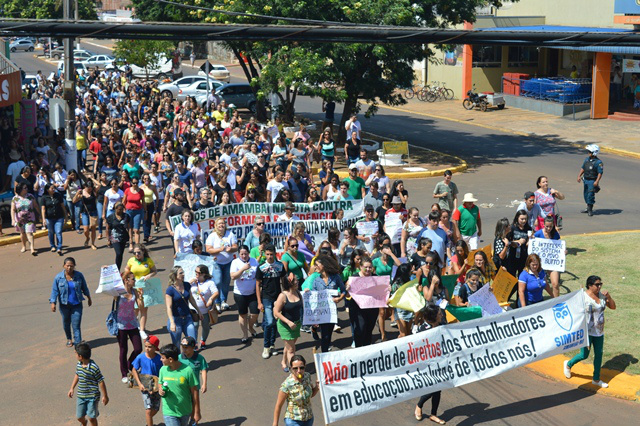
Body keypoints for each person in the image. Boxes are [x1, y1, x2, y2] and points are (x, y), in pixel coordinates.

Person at [564, 275, 616, 388]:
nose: (599, 286)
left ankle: (596, 379)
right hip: (586, 332)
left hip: (599, 332)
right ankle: (568, 365)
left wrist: (609, 297)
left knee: (599, 355)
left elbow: (613, 307)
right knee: (584, 355)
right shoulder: (583, 297)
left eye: (600, 284)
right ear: (590, 285)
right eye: (597, 284)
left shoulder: (602, 296)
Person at [301, 254, 346, 353]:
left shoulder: (336, 277)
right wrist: (308, 292)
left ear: (324, 265)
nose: (315, 267)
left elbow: (343, 290)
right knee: (325, 334)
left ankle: (325, 347)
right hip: (322, 312)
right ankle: (324, 353)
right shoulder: (316, 280)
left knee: (329, 333)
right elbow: (313, 297)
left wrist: (339, 298)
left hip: (332, 311)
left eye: (317, 265)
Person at [413, 304, 445, 424]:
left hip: (439, 362)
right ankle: (419, 405)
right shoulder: (424, 330)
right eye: (439, 314)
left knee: (438, 388)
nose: (441, 315)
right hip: (427, 364)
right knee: (434, 388)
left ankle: (433, 414)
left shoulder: (442, 326)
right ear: (433, 317)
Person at [50, 257, 92, 347]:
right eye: (67, 266)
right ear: (64, 266)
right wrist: (53, 303)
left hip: (77, 305)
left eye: (71, 266)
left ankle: (78, 344)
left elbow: (84, 287)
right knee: (66, 323)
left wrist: (89, 298)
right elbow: (54, 291)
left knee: (76, 325)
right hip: (64, 305)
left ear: (74, 266)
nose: (69, 268)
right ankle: (69, 338)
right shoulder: (58, 278)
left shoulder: (79, 276)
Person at [158, 344, 201, 426]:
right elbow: (160, 383)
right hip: (169, 411)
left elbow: (194, 392)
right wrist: (160, 389)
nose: (161, 360)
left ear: (170, 359)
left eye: (162, 358)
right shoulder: (163, 370)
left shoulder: (187, 371)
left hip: (185, 410)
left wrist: (197, 411)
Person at [256, 244, 286, 359]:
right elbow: (258, 284)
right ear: (264, 254)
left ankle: (272, 345)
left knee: (274, 322)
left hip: (277, 297)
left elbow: (283, 281)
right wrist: (259, 302)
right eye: (267, 254)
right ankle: (266, 346)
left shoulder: (280, 266)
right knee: (269, 322)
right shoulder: (261, 267)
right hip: (266, 297)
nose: (269, 257)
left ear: (275, 254)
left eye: (271, 254)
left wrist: (285, 295)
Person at [68, 342, 109, 426]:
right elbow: (77, 375)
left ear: (80, 356)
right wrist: (72, 388)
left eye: (76, 353)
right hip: (81, 396)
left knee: (92, 418)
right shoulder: (79, 365)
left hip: (92, 397)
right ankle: (84, 423)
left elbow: (101, 381)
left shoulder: (94, 367)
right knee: (79, 417)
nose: (75, 355)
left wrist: (105, 396)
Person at [272, 354, 319, 426]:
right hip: (293, 421)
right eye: (295, 368)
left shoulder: (307, 376)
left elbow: (310, 395)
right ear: (291, 368)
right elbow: (278, 406)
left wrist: (317, 387)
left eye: (301, 368)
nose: (299, 371)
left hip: (308, 418)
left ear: (305, 367)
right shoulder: (287, 385)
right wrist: (275, 424)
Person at [124, 244, 158, 339]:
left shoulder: (148, 261)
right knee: (135, 309)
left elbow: (155, 271)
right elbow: (126, 269)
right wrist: (127, 275)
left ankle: (142, 330)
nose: (136, 254)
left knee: (143, 309)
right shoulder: (131, 260)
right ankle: (133, 326)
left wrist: (148, 276)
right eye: (134, 253)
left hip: (145, 288)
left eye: (138, 252)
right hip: (134, 288)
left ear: (143, 252)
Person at [115, 273, 143, 383]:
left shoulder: (134, 291)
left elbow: (140, 307)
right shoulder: (118, 292)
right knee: (123, 349)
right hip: (121, 325)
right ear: (126, 280)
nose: (134, 281)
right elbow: (107, 288)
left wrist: (140, 297)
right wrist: (106, 270)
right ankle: (124, 373)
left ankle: (129, 364)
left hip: (132, 323)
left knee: (138, 348)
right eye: (132, 279)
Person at [205, 217, 238, 311]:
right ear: (215, 226)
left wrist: (230, 249)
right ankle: (217, 301)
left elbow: (236, 247)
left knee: (226, 282)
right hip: (216, 263)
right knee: (218, 281)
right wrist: (219, 250)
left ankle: (223, 301)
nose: (221, 225)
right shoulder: (212, 236)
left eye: (223, 223)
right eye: (219, 224)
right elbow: (208, 249)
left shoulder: (230, 234)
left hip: (228, 262)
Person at [347, 257, 380, 347]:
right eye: (366, 267)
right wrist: (348, 289)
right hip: (358, 309)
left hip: (372, 309)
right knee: (359, 330)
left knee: (369, 331)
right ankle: (358, 350)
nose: (368, 269)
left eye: (370, 267)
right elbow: (347, 295)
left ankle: (366, 351)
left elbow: (381, 292)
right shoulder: (354, 278)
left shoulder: (376, 278)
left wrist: (386, 289)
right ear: (360, 267)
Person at [131, 335, 163, 426]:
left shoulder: (159, 358)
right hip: (144, 386)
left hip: (156, 386)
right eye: (146, 346)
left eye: (150, 347)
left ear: (155, 347)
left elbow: (163, 371)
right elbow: (134, 370)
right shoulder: (140, 357)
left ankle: (149, 420)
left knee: (156, 409)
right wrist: (139, 383)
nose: (147, 349)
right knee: (148, 410)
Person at [165, 266, 201, 346]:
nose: (183, 274)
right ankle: (179, 358)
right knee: (177, 344)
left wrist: (198, 311)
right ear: (175, 275)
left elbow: (191, 299)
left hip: (187, 318)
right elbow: (169, 307)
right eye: (181, 273)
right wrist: (172, 322)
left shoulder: (187, 285)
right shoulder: (170, 290)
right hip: (176, 319)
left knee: (192, 342)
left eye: (183, 272)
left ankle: (190, 357)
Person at [230, 245, 260, 343]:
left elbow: (258, 275)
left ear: (249, 253)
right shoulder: (235, 262)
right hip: (240, 293)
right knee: (243, 314)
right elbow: (233, 277)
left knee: (255, 314)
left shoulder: (254, 261)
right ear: (239, 254)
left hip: (252, 293)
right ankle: (245, 334)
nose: (244, 256)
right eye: (242, 254)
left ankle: (250, 327)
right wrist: (243, 269)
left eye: (246, 254)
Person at [274, 273, 303, 372]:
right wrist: (288, 322)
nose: (297, 281)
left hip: (296, 325)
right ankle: (294, 371)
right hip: (285, 326)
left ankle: (283, 362)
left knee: (289, 345)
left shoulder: (298, 293)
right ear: (289, 283)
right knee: (291, 350)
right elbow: (276, 312)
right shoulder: (283, 296)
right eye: (295, 280)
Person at [188, 264, 219, 350]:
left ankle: (203, 340)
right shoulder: (193, 282)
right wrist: (189, 283)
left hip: (204, 310)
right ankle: (194, 344)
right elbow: (185, 291)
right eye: (195, 272)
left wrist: (211, 299)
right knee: (195, 326)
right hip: (193, 309)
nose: (196, 274)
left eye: (198, 272)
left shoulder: (210, 283)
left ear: (204, 274)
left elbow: (216, 293)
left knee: (205, 326)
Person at [533, 216, 562, 297]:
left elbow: (559, 247)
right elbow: (531, 244)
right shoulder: (538, 233)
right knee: (540, 284)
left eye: (551, 226)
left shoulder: (555, 234)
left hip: (551, 263)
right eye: (547, 226)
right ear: (543, 225)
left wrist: (563, 252)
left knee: (555, 284)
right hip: (540, 263)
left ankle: (556, 302)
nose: (549, 228)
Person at [11, 182, 39, 255]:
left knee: (29, 232)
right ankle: (23, 246)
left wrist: (40, 215)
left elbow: (35, 206)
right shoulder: (15, 198)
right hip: (20, 219)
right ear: (20, 189)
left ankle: (32, 248)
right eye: (25, 188)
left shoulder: (30, 196)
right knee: (23, 233)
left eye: (27, 187)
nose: (27, 189)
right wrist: (13, 219)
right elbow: (13, 209)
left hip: (30, 218)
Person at [41, 183, 68, 255]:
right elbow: (43, 209)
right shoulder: (44, 197)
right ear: (47, 189)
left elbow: (62, 206)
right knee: (51, 232)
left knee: (58, 232)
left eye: (54, 188)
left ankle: (59, 247)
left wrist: (66, 215)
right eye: (51, 188)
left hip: (59, 217)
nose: (53, 189)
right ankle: (52, 245)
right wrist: (43, 219)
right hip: (49, 218)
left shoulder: (58, 195)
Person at [505, 209, 531, 281]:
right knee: (510, 279)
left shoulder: (528, 229)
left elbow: (531, 242)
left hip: (523, 258)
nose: (524, 221)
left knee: (521, 280)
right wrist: (518, 241)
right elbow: (507, 241)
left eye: (525, 219)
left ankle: (520, 292)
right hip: (512, 257)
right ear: (517, 218)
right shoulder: (512, 228)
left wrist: (530, 241)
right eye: (522, 219)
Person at [577, 144, 603, 217]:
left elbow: (600, 173)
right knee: (585, 194)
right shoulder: (587, 159)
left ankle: (590, 209)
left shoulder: (598, 162)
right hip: (585, 180)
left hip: (592, 181)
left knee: (590, 195)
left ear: (594, 153)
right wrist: (579, 175)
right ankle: (587, 207)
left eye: (590, 152)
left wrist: (597, 181)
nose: (588, 153)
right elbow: (583, 168)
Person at [74, 179, 99, 250]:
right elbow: (74, 201)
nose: (90, 189)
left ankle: (93, 244)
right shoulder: (81, 192)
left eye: (91, 187)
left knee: (93, 229)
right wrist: (77, 194)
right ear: (85, 186)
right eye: (88, 187)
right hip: (85, 212)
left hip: (93, 212)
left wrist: (92, 178)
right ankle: (87, 238)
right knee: (86, 229)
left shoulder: (93, 191)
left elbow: (99, 185)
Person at [123, 177, 146, 252]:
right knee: (130, 228)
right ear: (131, 183)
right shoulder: (127, 190)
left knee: (137, 229)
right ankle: (131, 244)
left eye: (136, 183)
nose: (135, 184)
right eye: (134, 183)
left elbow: (143, 202)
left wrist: (145, 211)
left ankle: (137, 246)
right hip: (129, 211)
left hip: (138, 211)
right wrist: (124, 211)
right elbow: (124, 201)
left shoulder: (141, 191)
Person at [106, 202, 131, 270]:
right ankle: (116, 269)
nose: (120, 211)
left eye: (122, 209)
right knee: (118, 253)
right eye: (119, 209)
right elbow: (107, 228)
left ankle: (118, 269)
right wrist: (108, 239)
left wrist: (131, 239)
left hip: (123, 236)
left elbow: (129, 227)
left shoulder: (126, 216)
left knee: (120, 255)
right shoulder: (111, 217)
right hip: (114, 237)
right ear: (115, 209)